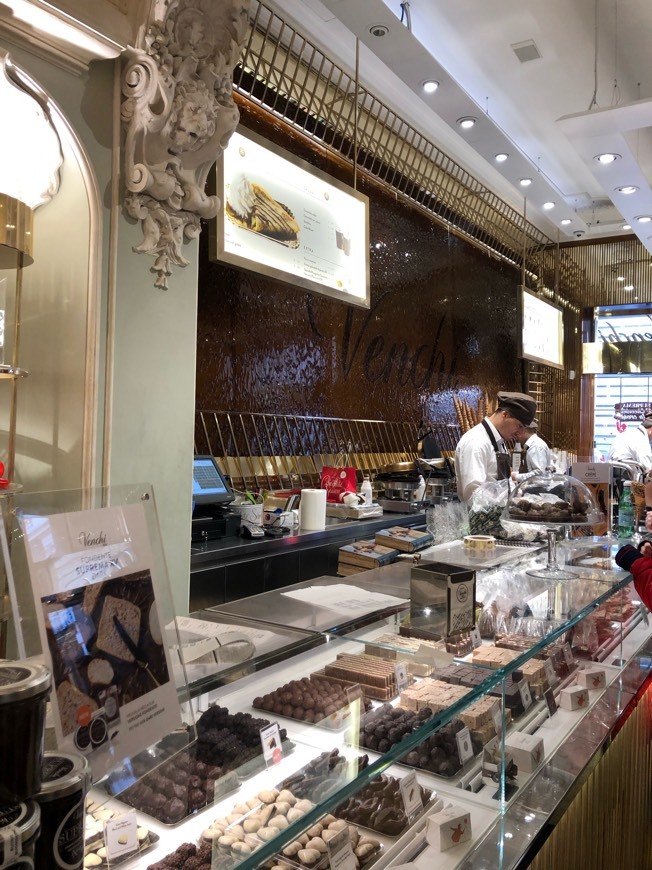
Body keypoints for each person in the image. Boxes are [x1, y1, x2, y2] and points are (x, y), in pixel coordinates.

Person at [454, 391, 537, 504]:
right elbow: (473, 495)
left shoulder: (499, 441)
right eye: (519, 426)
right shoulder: (476, 442)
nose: (521, 433)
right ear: (505, 414)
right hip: (483, 519)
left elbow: (505, 483)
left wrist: (517, 497)